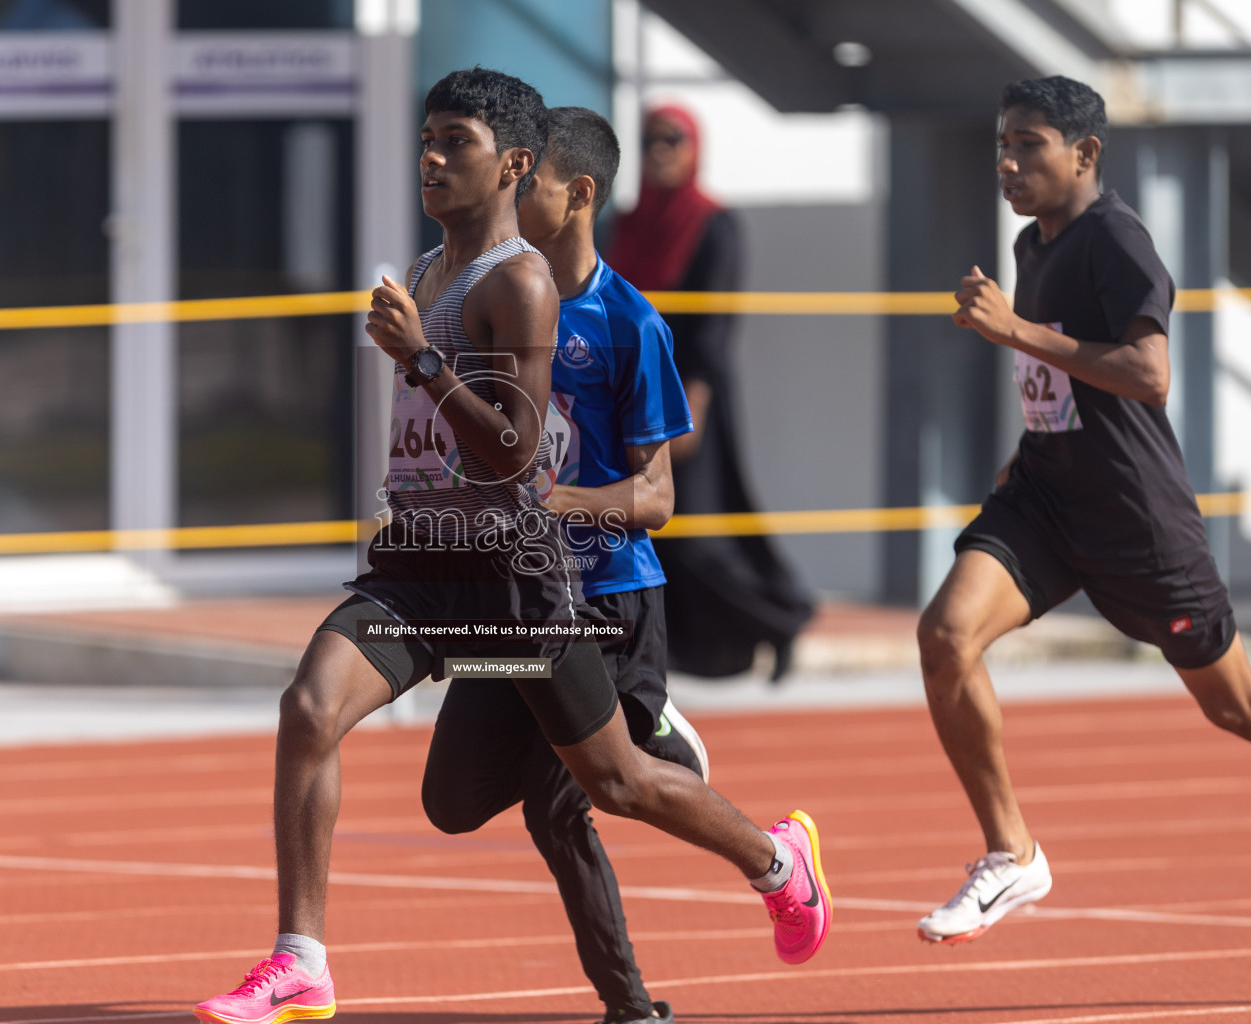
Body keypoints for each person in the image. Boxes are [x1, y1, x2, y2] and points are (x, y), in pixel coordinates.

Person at [193, 70, 832, 1024]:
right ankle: (300, 960)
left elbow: (517, 452)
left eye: (457, 141)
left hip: (516, 584)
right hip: (420, 565)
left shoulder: (525, 284)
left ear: (517, 166)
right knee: (316, 710)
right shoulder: (419, 272)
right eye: (428, 140)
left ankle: (773, 859)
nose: (433, 158)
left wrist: (421, 362)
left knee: (604, 782)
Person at [917, 74, 1251, 945]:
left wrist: (1016, 333)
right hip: (1043, 498)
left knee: (1236, 711)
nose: (1007, 160)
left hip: (1134, 520)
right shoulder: (1035, 243)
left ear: (1086, 153)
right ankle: (1011, 855)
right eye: (1003, 141)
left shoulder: (1118, 240)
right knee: (946, 637)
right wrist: (1031, 439)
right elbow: (1058, 384)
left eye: (1028, 144)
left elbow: (1151, 375)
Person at [419, 106, 718, 1024]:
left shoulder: (631, 324)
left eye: (529, 178)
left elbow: (657, 498)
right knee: (452, 801)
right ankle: (642, 741)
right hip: (516, 601)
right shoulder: (485, 294)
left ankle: (633, 1006)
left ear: (577, 194)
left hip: (606, 604)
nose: (508, 188)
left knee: (563, 807)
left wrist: (554, 503)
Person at [607, 104, 813, 682]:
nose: (661, 150)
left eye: (674, 139)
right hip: (628, 391)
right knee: (652, 535)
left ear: (696, 147)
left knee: (696, 529)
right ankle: (677, 654)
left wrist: (693, 401)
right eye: (650, 140)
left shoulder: (714, 223)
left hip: (688, 392)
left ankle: (782, 618)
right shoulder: (625, 222)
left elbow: (715, 326)